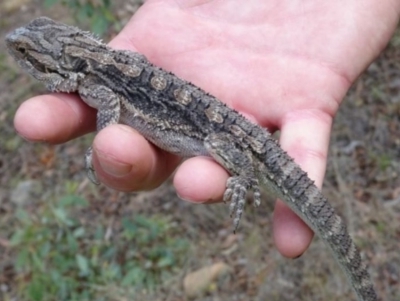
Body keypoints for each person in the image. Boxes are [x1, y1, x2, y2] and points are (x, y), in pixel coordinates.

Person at [13, 0, 400, 257]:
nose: (20, 53)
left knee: (221, 151)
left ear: (60, 63)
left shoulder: (99, 80)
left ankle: (246, 174)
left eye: (29, 55)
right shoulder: (106, 66)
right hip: (214, 127)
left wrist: (242, 175)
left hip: (217, 134)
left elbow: (112, 103)